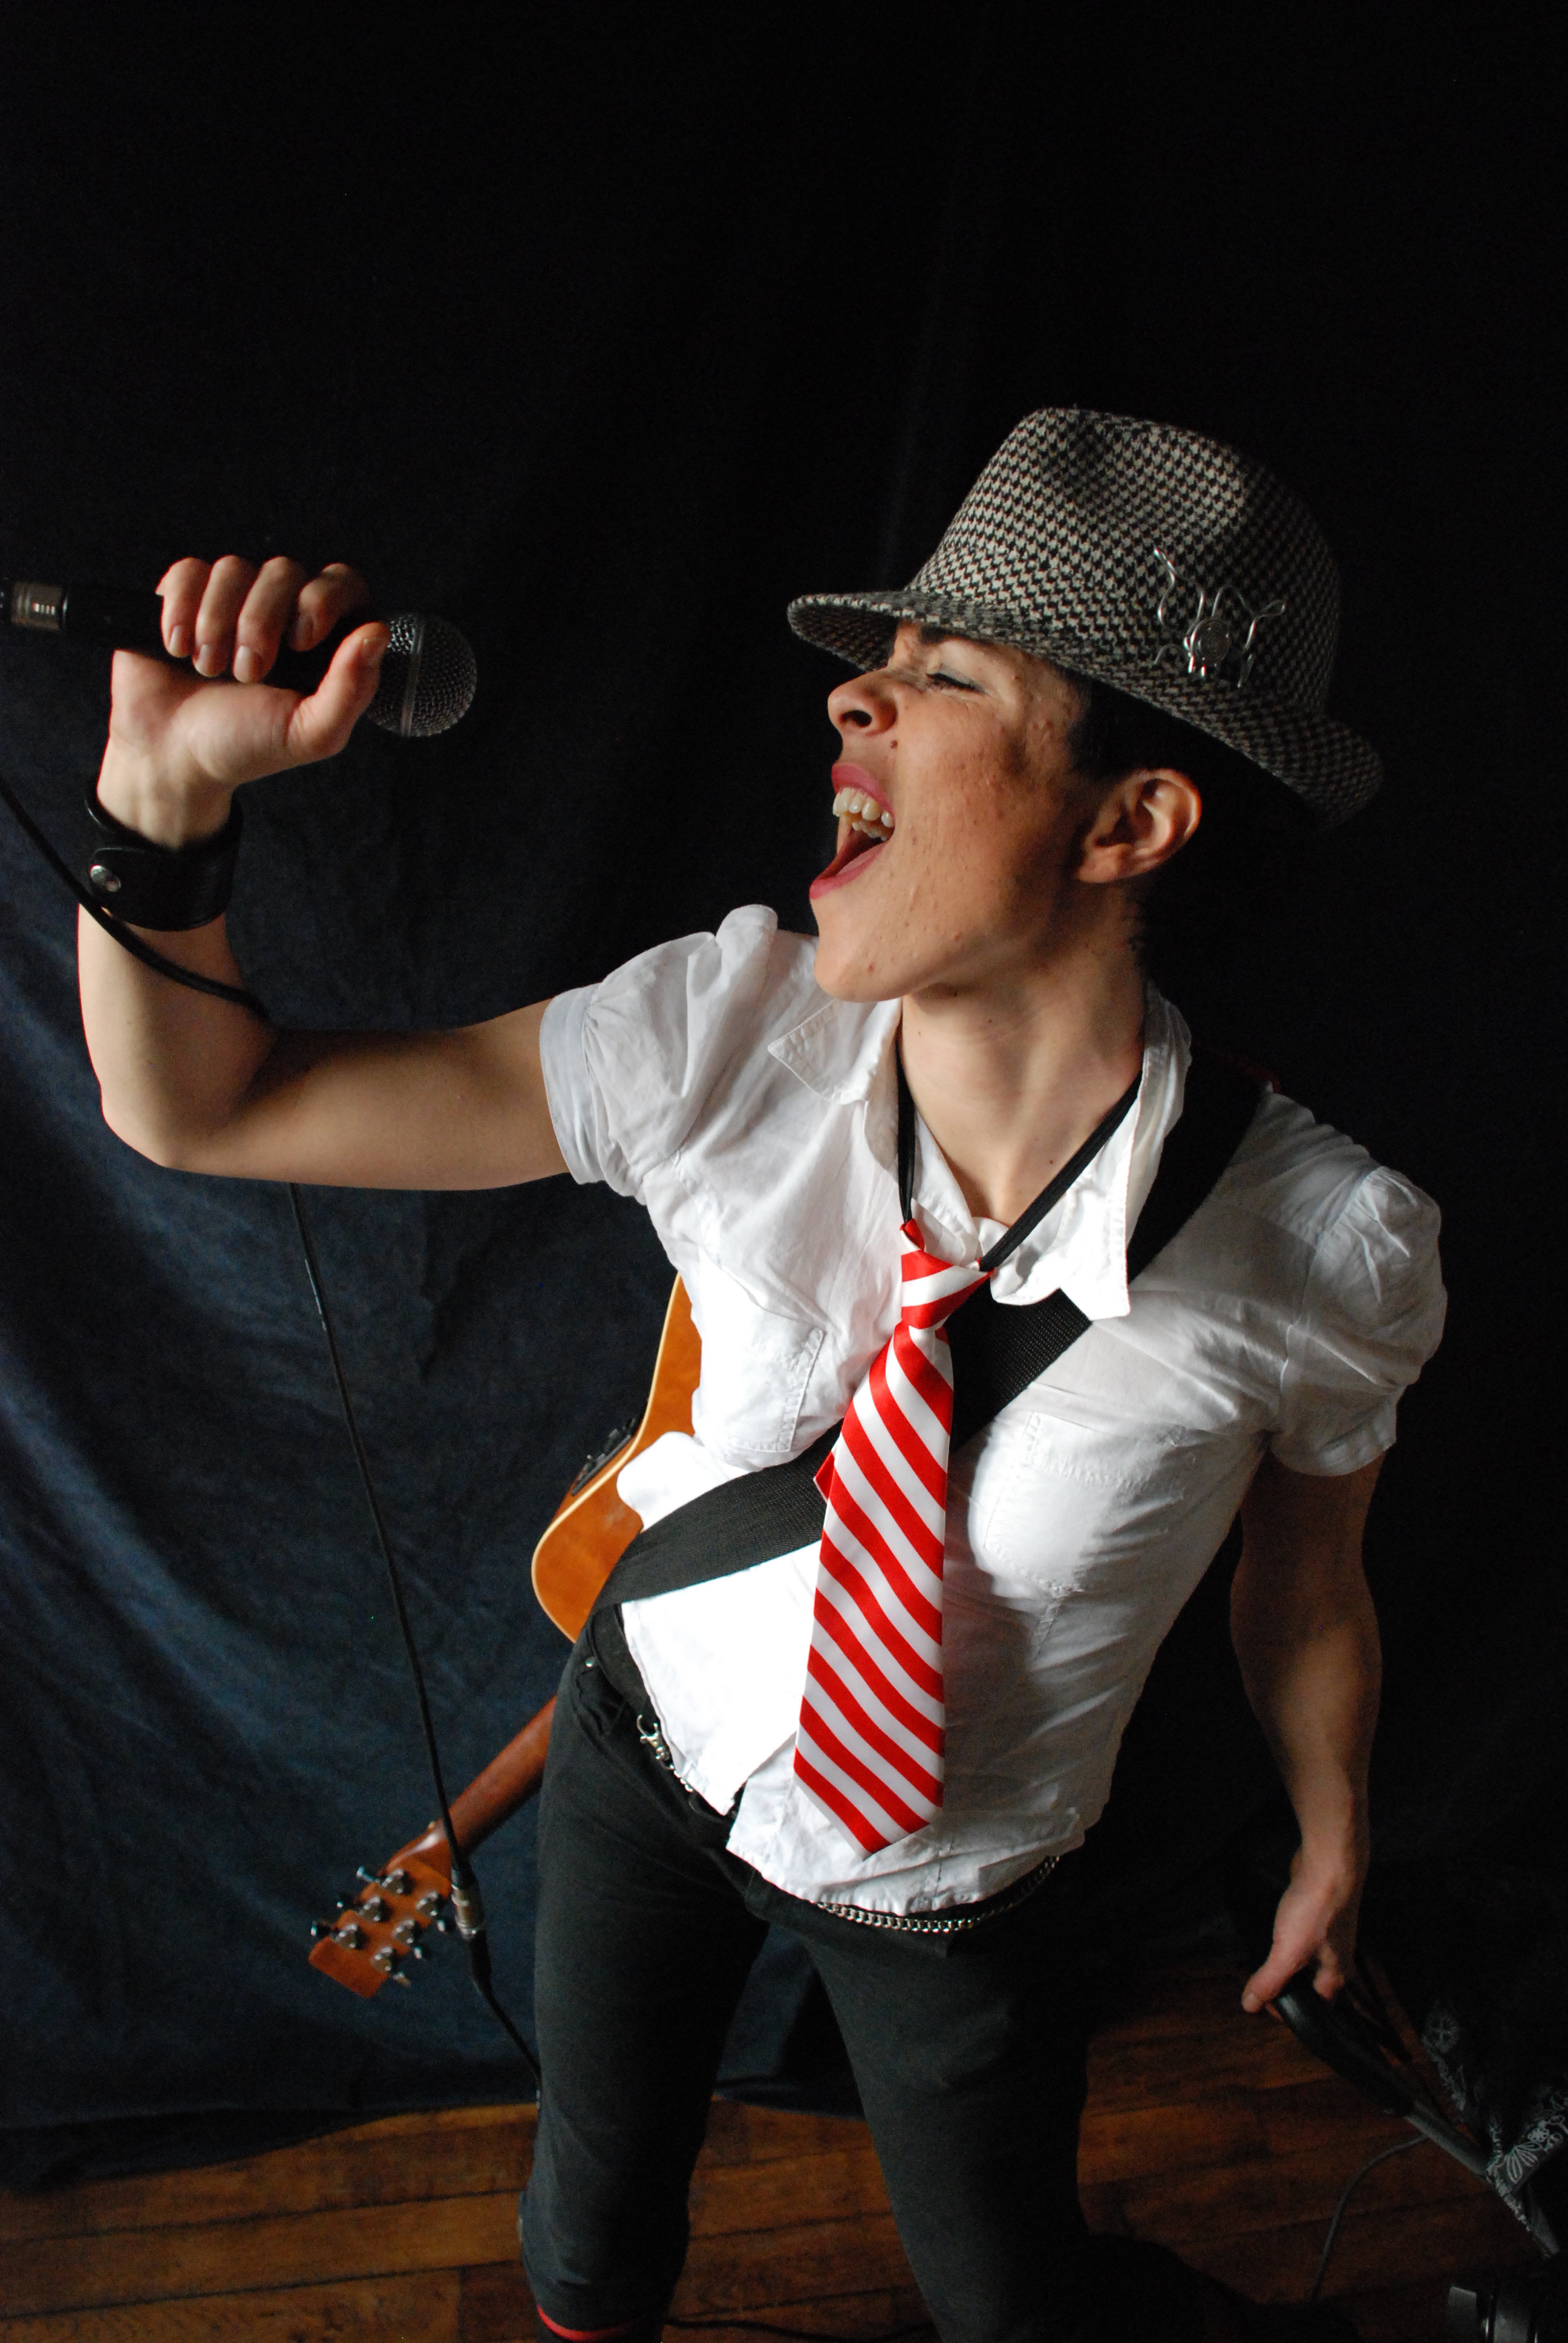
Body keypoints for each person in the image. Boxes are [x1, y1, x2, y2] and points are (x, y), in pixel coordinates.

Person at [77, 410, 1445, 2342]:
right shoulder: (721, 1037)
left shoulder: (1330, 1249)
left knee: (1017, 2303)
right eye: (881, 662)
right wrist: (159, 806)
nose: (853, 702)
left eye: (948, 678)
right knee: (587, 2232)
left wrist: (1334, 1834)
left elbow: (1305, 1594)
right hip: (640, 1758)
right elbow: (204, 1107)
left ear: (1130, 823)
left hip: (953, 1900)